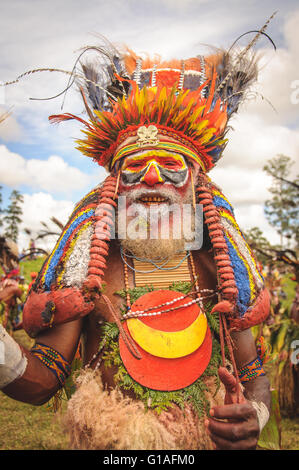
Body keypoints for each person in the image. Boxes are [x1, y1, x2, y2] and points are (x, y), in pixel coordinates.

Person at [0, 34, 272, 450]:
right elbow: (39, 383)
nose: (150, 178)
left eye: (169, 165)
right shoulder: (90, 275)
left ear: (198, 184)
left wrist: (252, 418)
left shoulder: (215, 270)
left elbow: (254, 378)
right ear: (114, 187)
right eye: (134, 167)